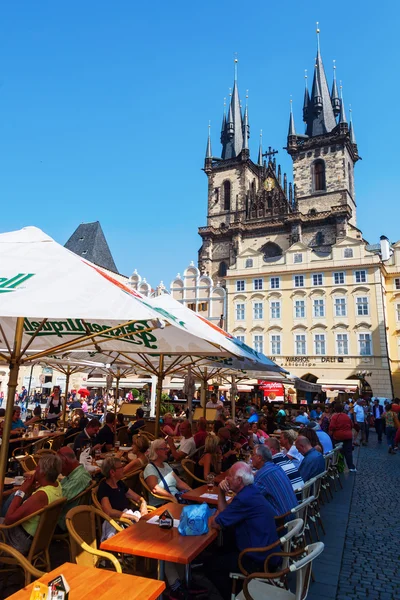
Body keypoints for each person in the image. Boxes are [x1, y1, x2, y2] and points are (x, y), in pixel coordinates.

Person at [206, 462, 280, 599]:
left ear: (239, 480)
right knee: (222, 548)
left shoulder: (243, 499)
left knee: (211, 566)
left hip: (258, 559)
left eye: (230, 476)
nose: (226, 479)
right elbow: (225, 513)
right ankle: (237, 586)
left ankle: (234, 595)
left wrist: (212, 518)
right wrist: (221, 492)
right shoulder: (251, 490)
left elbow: (216, 523)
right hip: (269, 551)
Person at [1, 455, 63, 554]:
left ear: (43, 473)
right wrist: (31, 489)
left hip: (19, 539)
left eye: (37, 467)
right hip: (35, 538)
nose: (35, 469)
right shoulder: (56, 485)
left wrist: (22, 490)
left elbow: (9, 519)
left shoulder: (41, 496)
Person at [97, 456, 147, 523]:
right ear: (112, 472)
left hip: (127, 518)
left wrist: (143, 504)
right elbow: (109, 511)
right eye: (121, 467)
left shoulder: (119, 483)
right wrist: (131, 516)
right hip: (115, 522)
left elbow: (138, 497)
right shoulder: (104, 487)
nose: (123, 469)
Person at [252, 445, 297, 516]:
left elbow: (250, 498)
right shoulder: (277, 467)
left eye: (253, 455)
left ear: (259, 458)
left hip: (282, 519)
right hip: (295, 512)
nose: (251, 458)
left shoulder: (262, 474)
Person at [144, 439, 191, 506]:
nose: (167, 451)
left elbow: (178, 482)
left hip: (175, 500)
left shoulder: (165, 465)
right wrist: (171, 497)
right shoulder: (150, 468)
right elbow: (155, 489)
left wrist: (191, 491)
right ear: (156, 451)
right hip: (162, 504)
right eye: (165, 449)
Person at [57, 447, 92, 530]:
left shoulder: (78, 478)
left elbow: (56, 501)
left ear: (65, 462)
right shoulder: (73, 474)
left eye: (58, 465)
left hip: (62, 520)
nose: (58, 469)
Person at [329, 403, 356, 472]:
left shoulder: (335, 417)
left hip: (338, 436)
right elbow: (351, 425)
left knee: (338, 452)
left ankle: (339, 466)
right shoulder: (347, 416)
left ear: (335, 409)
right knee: (348, 452)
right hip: (348, 436)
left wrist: (330, 434)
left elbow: (331, 427)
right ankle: (351, 467)